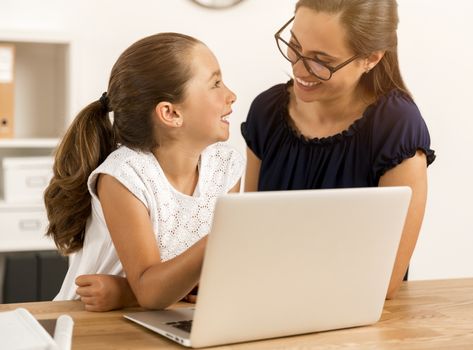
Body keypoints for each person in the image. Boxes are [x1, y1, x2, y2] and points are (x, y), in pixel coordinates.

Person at [240, 0, 435, 299]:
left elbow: (385, 282)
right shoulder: (266, 112)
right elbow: (250, 239)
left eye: (321, 59)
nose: (297, 67)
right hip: (267, 302)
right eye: (294, 44)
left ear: (370, 58)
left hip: (355, 319)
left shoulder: (395, 125)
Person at [44, 32, 244, 311]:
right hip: (91, 320)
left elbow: (213, 273)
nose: (231, 95)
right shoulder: (123, 176)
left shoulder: (226, 166)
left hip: (166, 314)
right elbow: (150, 290)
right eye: (216, 84)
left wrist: (127, 292)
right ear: (171, 113)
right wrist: (224, 236)